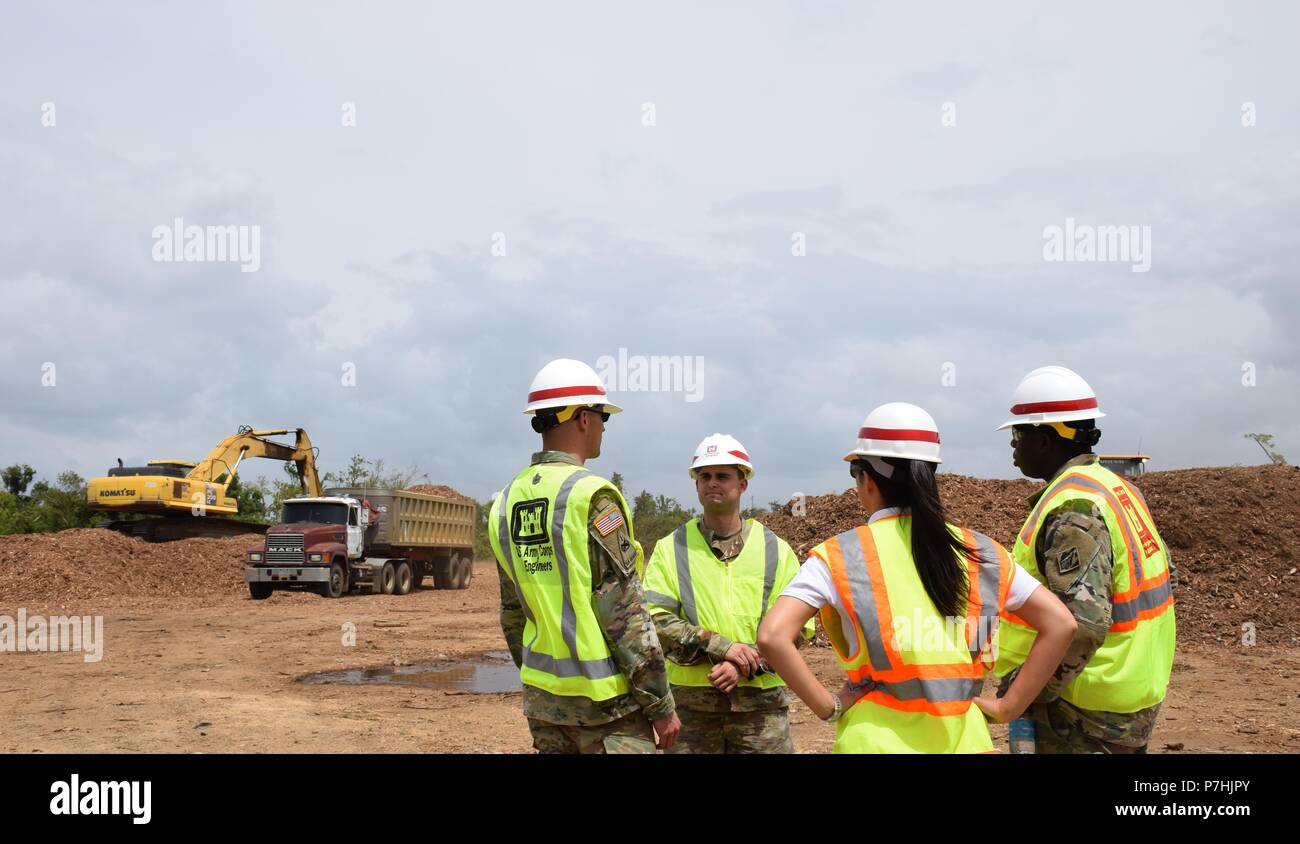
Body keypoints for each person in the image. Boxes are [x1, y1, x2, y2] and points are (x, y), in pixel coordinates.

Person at [757, 402, 1076, 753]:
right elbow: (1061, 623)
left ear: (866, 479)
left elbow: (773, 636)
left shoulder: (838, 556)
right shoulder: (982, 552)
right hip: (965, 742)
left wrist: (827, 706)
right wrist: (1008, 706)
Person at [487, 358, 680, 753]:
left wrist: (543, 685)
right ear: (581, 418)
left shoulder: (506, 503)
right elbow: (623, 612)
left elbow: (512, 613)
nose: (605, 425)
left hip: (545, 705)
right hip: (610, 710)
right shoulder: (592, 496)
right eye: (602, 414)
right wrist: (660, 703)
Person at [992, 366, 1176, 753]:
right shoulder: (1118, 490)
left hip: (1082, 708)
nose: (1012, 446)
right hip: (1129, 693)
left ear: (1044, 440)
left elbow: (1083, 624)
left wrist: (1026, 691)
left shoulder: (1074, 508)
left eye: (1017, 435)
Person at [643, 434, 814, 753]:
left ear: (743, 483)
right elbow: (655, 621)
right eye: (704, 476)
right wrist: (721, 647)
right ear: (696, 485)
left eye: (722, 476)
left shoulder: (777, 551)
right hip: (691, 710)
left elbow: (798, 628)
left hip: (761, 711)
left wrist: (743, 664)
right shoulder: (671, 549)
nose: (712, 483)